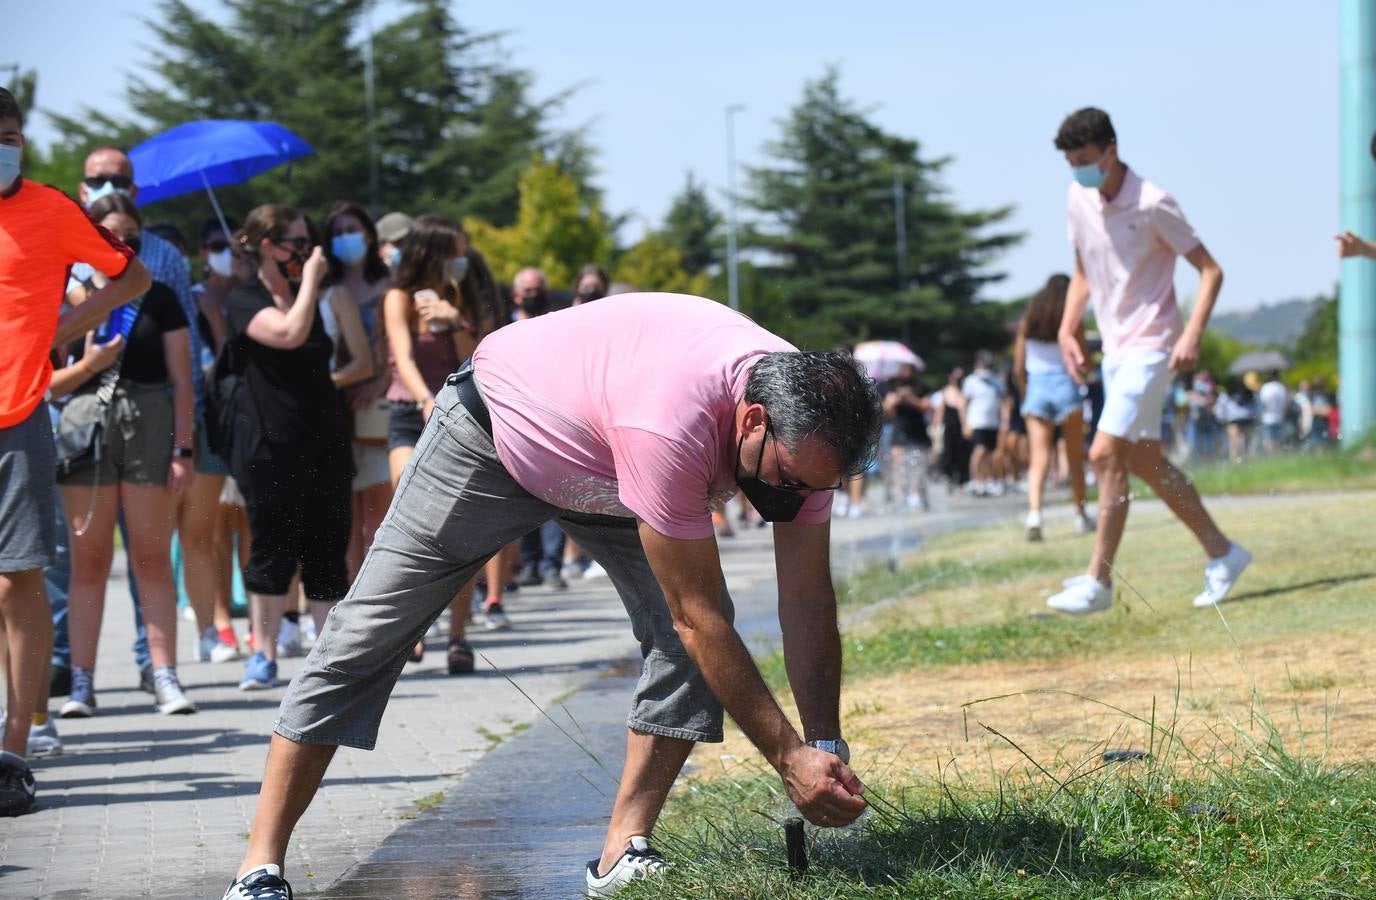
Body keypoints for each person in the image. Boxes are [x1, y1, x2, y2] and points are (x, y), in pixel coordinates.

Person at [219, 293, 880, 900]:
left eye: (812, 488)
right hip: (498, 434)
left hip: (607, 463)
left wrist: (825, 744)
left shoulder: (812, 430)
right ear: (754, 419)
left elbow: (805, 594)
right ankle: (259, 866)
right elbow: (696, 619)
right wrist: (787, 758)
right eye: (788, 480)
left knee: (692, 651)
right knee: (365, 635)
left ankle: (624, 850)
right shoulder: (672, 420)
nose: (794, 498)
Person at [0, 86, 152, 813]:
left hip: (19, 414)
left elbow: (133, 274)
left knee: (15, 580)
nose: (5, 146)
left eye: (9, 134)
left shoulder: (53, 209)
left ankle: (13, 747)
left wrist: (59, 333)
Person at [1045, 107, 1251, 615]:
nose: (1079, 171)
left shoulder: (1155, 204)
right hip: (1114, 349)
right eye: (1072, 162)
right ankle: (1224, 553)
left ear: (1111, 150)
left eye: (1086, 160)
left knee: (1102, 455)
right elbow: (1083, 271)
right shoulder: (1078, 198)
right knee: (1143, 461)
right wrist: (1067, 327)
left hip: (1154, 345)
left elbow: (1211, 270)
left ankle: (1099, 582)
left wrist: (1193, 334)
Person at [52, 193, 198, 719]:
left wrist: (184, 448)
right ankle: (82, 685)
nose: (124, 249)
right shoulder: (70, 299)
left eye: (131, 241)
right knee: (87, 562)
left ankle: (165, 676)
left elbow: (183, 378)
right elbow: (48, 380)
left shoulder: (157, 298)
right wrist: (91, 357)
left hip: (150, 423)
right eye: (112, 239)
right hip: (85, 425)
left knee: (151, 558)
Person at [223, 205, 352, 691]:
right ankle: (264, 653)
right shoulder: (245, 298)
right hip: (270, 445)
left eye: (308, 239)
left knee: (326, 547)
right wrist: (312, 285)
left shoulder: (308, 294)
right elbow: (287, 333)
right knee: (273, 548)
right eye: (297, 241)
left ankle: (328, 657)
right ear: (269, 246)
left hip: (325, 441)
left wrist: (310, 287)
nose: (307, 250)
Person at [383, 214, 481, 672]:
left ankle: (458, 634)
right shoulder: (398, 296)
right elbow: (401, 355)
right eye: (455, 251)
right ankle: (413, 627)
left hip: (460, 411)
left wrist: (454, 319)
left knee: (461, 525)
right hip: (411, 409)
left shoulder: (456, 295)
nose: (461, 260)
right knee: (408, 503)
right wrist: (425, 398)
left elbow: (477, 356)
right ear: (433, 253)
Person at [182, 217, 243, 664]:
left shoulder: (247, 296)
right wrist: (217, 321)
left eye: (234, 244)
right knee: (211, 531)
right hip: (208, 425)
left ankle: (239, 622)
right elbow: (214, 366)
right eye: (218, 244)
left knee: (249, 528)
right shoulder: (195, 299)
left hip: (244, 425)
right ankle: (217, 621)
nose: (227, 252)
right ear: (203, 253)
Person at [320, 202, 391, 581]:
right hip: (335, 411)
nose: (345, 237)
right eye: (337, 231)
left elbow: (401, 344)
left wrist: (379, 381)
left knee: (379, 517)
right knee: (344, 520)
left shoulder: (390, 284)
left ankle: (387, 607)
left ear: (368, 234)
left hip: (380, 409)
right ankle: (349, 602)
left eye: (352, 228)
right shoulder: (323, 289)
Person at [1013, 274, 1093, 541]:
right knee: (1074, 458)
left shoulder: (1028, 322)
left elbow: (1017, 367)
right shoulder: (1072, 321)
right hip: (1066, 386)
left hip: (1037, 388)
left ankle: (1035, 514)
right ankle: (1080, 515)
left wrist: (1026, 393)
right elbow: (1084, 361)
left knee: (1039, 460)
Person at [881, 363, 931, 511]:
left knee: (919, 464)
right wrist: (898, 398)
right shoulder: (891, 387)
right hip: (900, 429)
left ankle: (915, 494)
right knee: (898, 463)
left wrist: (910, 398)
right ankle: (900, 495)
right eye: (903, 370)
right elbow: (888, 409)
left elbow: (926, 406)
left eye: (909, 371)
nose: (906, 374)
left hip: (918, 429)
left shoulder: (921, 387)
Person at [960, 350, 1005, 496]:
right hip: (977, 422)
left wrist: (1005, 421)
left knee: (991, 454)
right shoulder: (971, 381)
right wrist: (964, 423)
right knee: (979, 451)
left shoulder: (997, 381)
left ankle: (988, 480)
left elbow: (1005, 401)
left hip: (993, 422)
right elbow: (963, 404)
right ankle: (976, 480)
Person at [1258, 370, 1289, 454]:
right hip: (1279, 416)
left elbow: (1262, 403)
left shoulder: (1265, 387)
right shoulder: (1281, 387)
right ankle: (1277, 455)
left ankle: (1271, 456)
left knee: (1269, 440)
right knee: (1278, 439)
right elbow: (1286, 403)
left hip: (1267, 417)